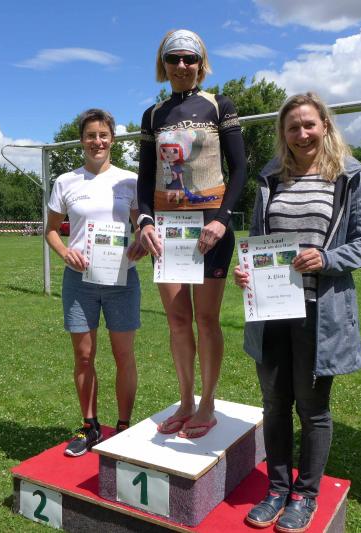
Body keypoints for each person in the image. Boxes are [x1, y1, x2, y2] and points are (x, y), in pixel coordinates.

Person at [234, 92, 361, 532]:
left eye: (309, 124)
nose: (302, 134)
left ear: (325, 126)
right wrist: (247, 272)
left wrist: (327, 258)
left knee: (312, 408)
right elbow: (257, 240)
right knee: (275, 404)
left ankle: (305, 494)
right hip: (271, 310)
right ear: (284, 133)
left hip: (320, 311)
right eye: (293, 127)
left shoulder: (349, 177)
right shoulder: (271, 179)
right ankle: (277, 489)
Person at [137, 29, 247, 438]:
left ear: (201, 63)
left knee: (206, 319)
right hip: (168, 230)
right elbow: (146, 176)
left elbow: (240, 169)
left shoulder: (220, 105)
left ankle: (207, 403)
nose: (182, 65)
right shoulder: (152, 115)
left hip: (211, 228)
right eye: (174, 59)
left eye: (189, 58)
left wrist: (222, 219)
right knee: (178, 321)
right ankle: (185, 401)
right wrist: (145, 221)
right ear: (163, 64)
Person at [45, 108, 147, 457]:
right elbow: (51, 230)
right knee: (84, 356)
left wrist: (141, 243)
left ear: (112, 140)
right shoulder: (65, 182)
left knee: (123, 355)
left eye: (103, 135)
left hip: (122, 278)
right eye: (91, 136)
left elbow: (143, 226)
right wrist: (65, 253)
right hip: (79, 281)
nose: (97, 142)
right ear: (82, 140)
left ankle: (124, 427)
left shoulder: (130, 181)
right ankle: (90, 427)